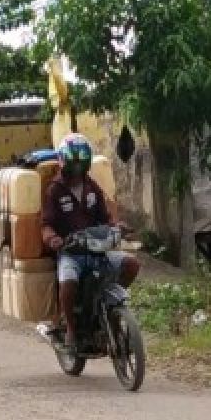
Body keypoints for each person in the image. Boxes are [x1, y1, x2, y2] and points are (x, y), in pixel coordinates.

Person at [40, 133, 140, 352]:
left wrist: (117, 227)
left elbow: (106, 217)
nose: (76, 166)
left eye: (80, 161)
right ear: (63, 161)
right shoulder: (54, 190)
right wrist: (53, 238)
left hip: (96, 250)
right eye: (72, 161)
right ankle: (72, 331)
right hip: (71, 253)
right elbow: (46, 223)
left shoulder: (92, 187)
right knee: (68, 280)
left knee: (131, 264)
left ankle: (109, 306)